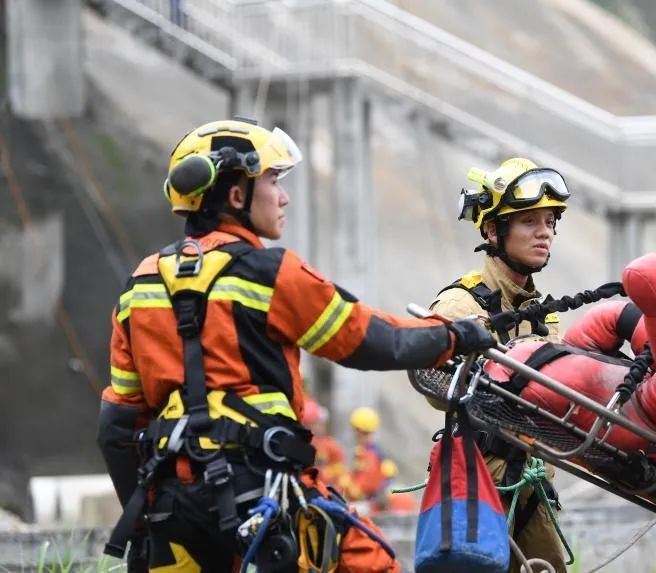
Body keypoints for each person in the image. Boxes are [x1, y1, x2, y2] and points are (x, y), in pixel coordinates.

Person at [96, 117, 495, 572]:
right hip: (265, 496)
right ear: (235, 193)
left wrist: (146, 523)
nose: (283, 196)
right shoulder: (269, 273)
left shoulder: (139, 286)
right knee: (373, 564)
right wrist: (455, 335)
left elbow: (116, 425)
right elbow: (371, 340)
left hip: (173, 513)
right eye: (271, 180)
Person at [427, 157, 569, 572]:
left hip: (531, 484)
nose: (544, 232)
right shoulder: (460, 304)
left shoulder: (545, 314)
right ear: (493, 230)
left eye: (549, 221)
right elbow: (436, 390)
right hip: (476, 485)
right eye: (528, 221)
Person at [337, 407, 416, 514]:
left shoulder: (369, 455)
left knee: (345, 511)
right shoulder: (373, 451)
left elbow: (363, 488)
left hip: (379, 503)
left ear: (358, 431)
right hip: (380, 500)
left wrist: (345, 484)